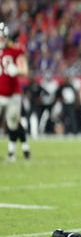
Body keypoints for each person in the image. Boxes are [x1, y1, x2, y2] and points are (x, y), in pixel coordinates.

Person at [0, 22, 31, 162]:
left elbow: (25, 71)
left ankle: (12, 152)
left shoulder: (14, 51)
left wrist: (17, 71)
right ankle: (23, 149)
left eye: (3, 36)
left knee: (13, 122)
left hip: (13, 94)